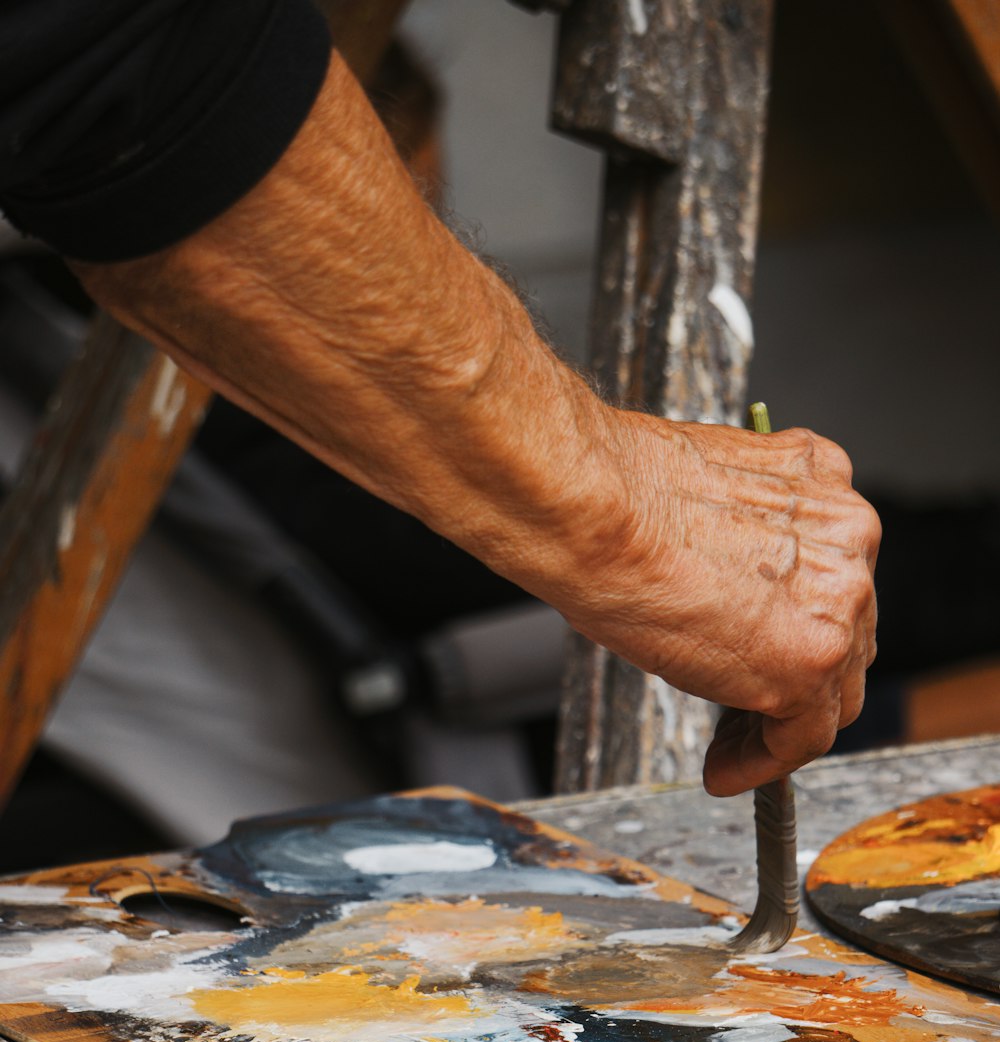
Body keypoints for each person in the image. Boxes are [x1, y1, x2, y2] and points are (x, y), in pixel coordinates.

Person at [0, 0, 880, 798]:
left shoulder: (52, 317)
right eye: (412, 224)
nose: (436, 272)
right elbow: (124, 64)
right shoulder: (288, 423)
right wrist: (629, 514)